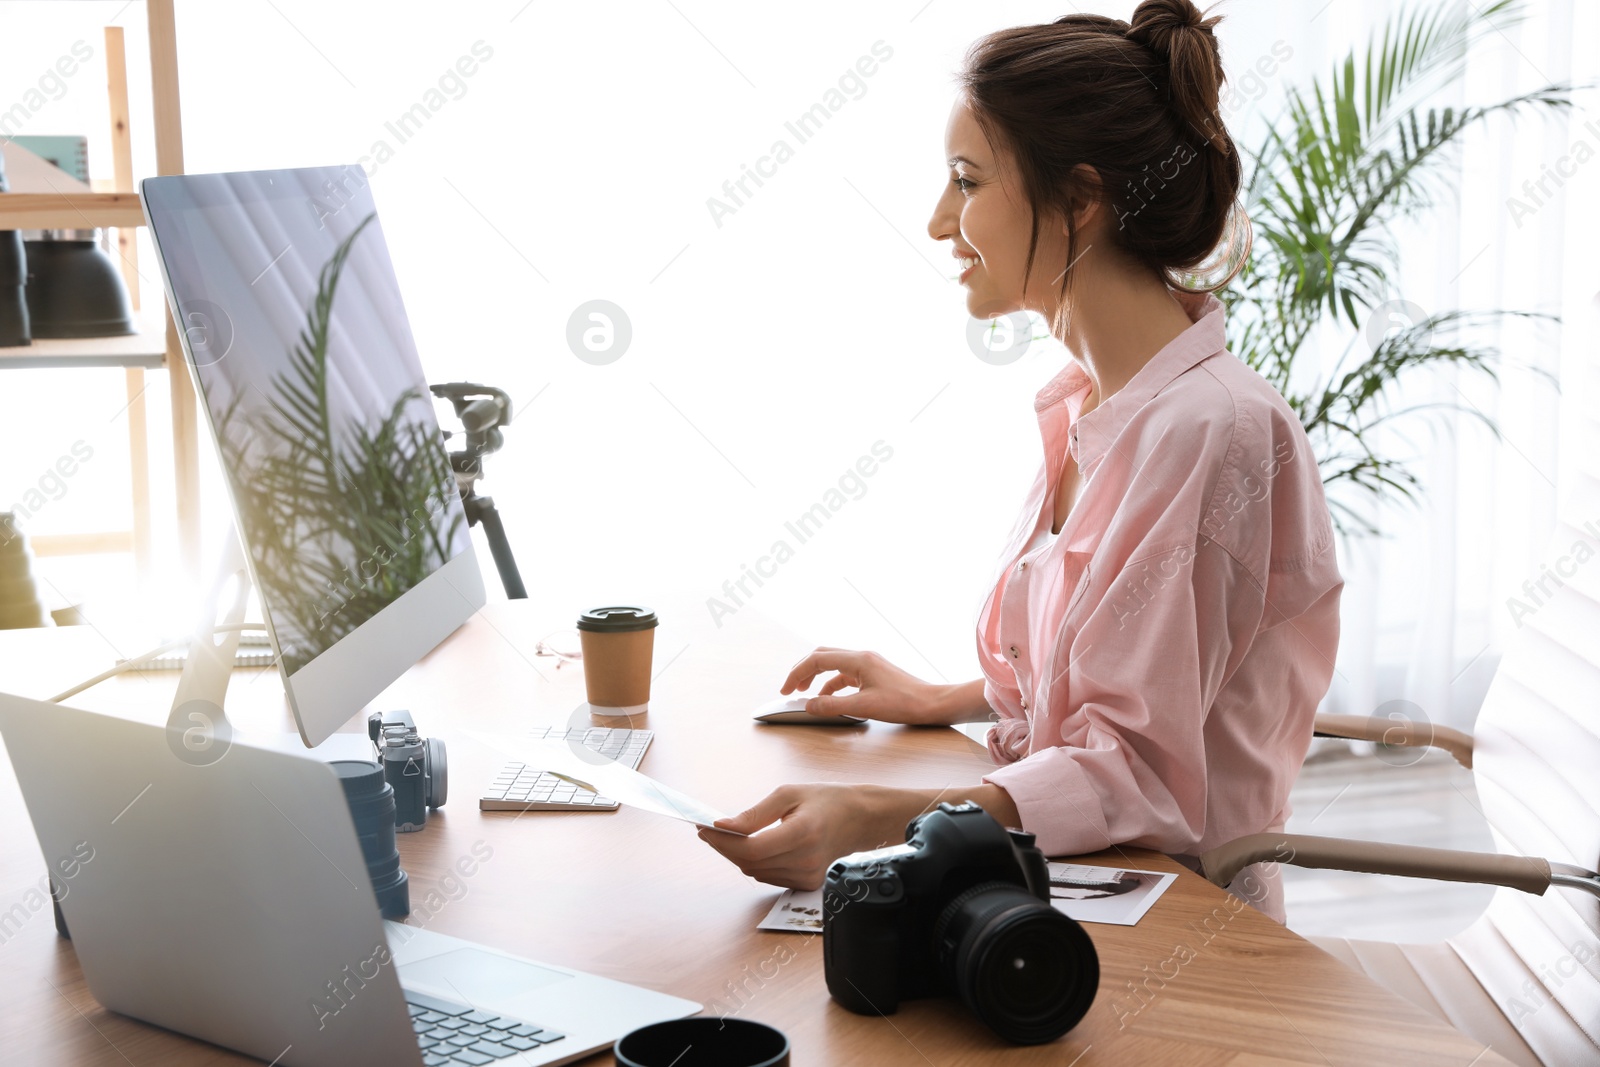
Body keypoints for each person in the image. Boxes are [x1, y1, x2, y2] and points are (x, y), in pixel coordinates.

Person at [698, 0, 1343, 923]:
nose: (935, 221)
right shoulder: (1089, 403)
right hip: (1078, 876)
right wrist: (939, 696)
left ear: (1080, 200)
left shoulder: (1213, 431)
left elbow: (1141, 770)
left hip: (1184, 925)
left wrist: (887, 815)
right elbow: (1106, 698)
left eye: (966, 181)